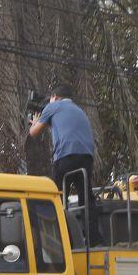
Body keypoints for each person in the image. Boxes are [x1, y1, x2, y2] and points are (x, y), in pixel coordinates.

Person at [29, 82, 101, 242]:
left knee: (57, 198)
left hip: (65, 157)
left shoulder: (52, 107)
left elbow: (33, 133)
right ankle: (94, 239)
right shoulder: (79, 110)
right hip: (86, 158)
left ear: (55, 97)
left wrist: (35, 122)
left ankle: (60, 240)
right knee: (86, 199)